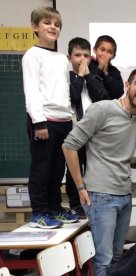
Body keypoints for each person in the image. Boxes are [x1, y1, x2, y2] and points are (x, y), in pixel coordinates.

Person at [63, 67, 136, 276]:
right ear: (127, 86)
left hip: (125, 195)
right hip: (100, 195)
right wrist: (80, 186)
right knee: (103, 258)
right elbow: (69, 145)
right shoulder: (102, 109)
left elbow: (121, 157)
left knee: (116, 255)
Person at [23, 7, 78, 229]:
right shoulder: (32, 55)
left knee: (58, 169)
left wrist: (70, 119)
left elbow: (64, 91)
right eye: (47, 23)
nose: (53, 27)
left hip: (63, 120)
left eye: (56, 24)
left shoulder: (61, 59)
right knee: (42, 168)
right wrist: (39, 122)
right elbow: (32, 91)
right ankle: (39, 213)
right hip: (43, 120)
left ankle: (55, 209)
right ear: (35, 27)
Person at [65, 37, 110, 218]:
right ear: (70, 58)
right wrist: (80, 76)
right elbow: (73, 98)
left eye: (85, 55)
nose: (82, 59)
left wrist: (89, 76)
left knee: (93, 167)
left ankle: (94, 202)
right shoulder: (67, 78)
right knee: (74, 169)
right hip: (75, 131)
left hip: (96, 134)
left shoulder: (94, 77)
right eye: (77, 55)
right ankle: (76, 205)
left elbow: (103, 98)